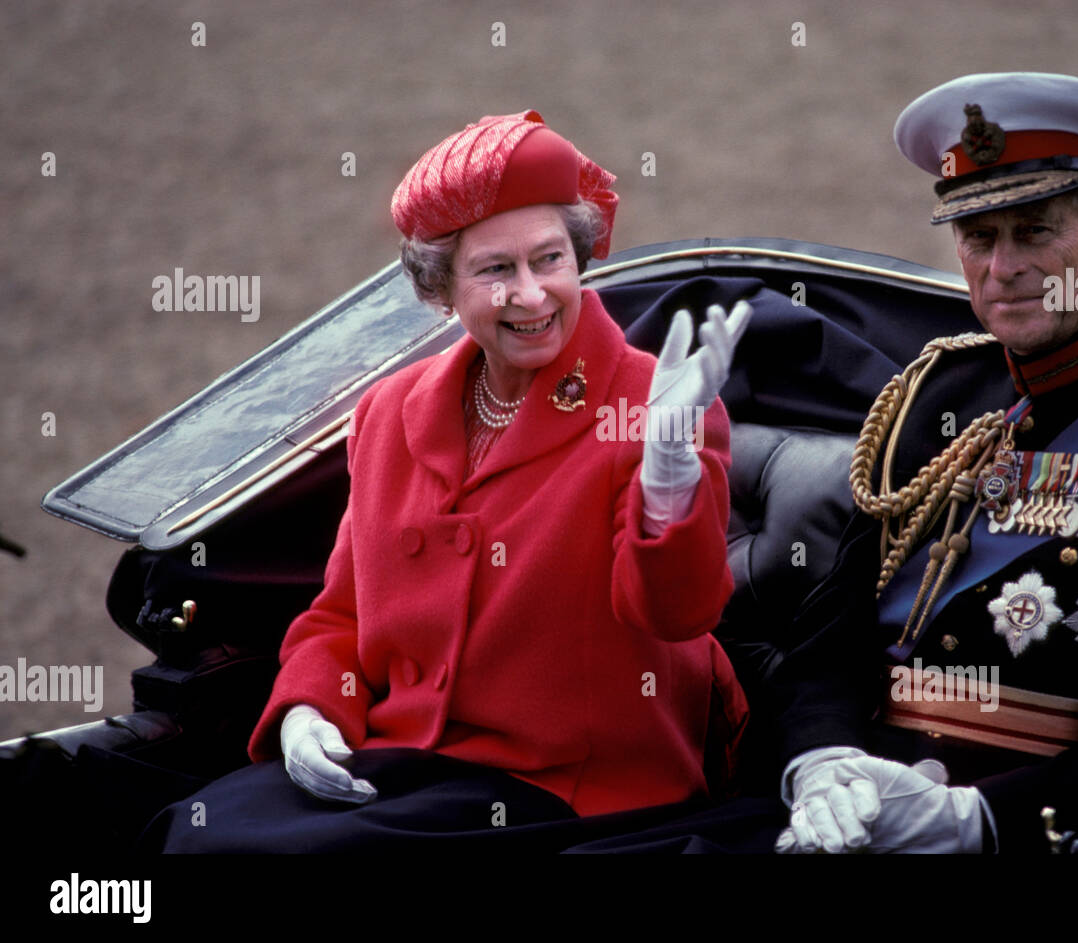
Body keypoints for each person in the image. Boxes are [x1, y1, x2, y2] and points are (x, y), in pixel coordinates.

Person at [145, 110, 753, 851]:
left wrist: (668, 475)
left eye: (550, 259)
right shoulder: (389, 412)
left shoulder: (652, 404)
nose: (530, 294)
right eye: (496, 270)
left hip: (569, 783)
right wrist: (311, 708)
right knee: (187, 831)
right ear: (442, 289)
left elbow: (677, 611)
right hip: (402, 758)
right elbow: (343, 616)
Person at [769, 73, 1078, 853]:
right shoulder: (934, 394)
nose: (1003, 267)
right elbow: (827, 643)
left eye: (1034, 231)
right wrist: (822, 761)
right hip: (858, 801)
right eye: (978, 238)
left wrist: (979, 822)